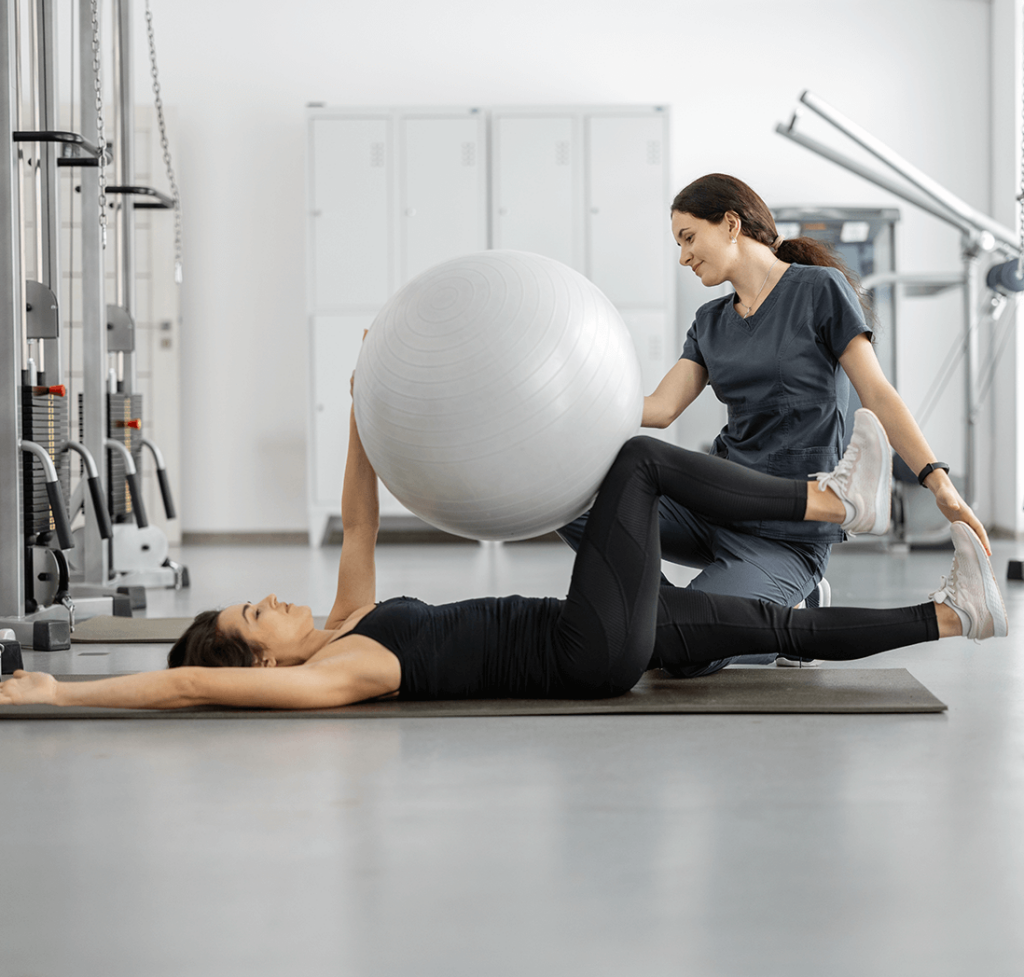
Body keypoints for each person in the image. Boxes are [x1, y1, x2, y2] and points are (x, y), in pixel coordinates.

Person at [0, 407, 1007, 711]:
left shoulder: (345, 624)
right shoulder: (338, 674)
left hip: (601, 643)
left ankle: (955, 615)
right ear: (258, 664)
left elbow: (358, 523)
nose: (267, 597)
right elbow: (188, 690)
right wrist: (55, 696)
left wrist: (364, 404)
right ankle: (836, 503)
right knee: (640, 465)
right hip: (582, 645)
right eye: (252, 616)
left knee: (772, 628)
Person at [558, 173, 991, 676]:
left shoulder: (818, 291)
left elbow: (878, 393)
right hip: (713, 506)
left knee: (679, 656)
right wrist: (575, 403)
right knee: (572, 503)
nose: (683, 256)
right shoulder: (709, 321)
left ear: (731, 224)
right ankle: (670, 615)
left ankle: (781, 609)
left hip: (786, 533)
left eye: (688, 238)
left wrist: (939, 483)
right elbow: (659, 407)